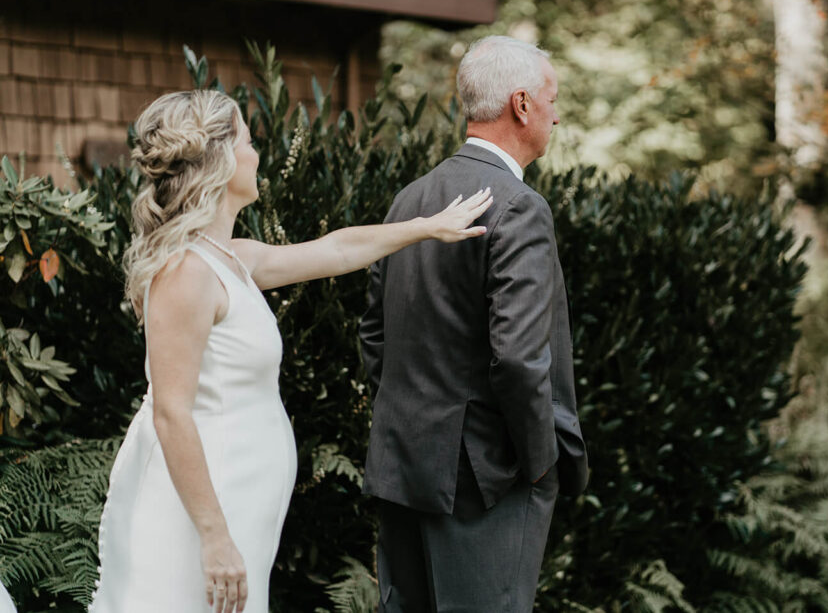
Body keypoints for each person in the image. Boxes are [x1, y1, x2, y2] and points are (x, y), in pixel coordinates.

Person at [89, 90, 493, 613]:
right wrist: (213, 536)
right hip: (192, 516)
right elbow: (171, 413)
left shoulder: (230, 259)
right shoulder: (185, 274)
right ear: (220, 159)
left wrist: (426, 228)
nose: (258, 153)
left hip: (236, 504)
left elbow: (336, 250)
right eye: (249, 141)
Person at [359, 35, 588, 612]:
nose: (557, 114)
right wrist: (540, 465)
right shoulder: (518, 206)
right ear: (522, 105)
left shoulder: (409, 200)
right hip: (485, 481)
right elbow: (518, 358)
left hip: (402, 466)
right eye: (552, 98)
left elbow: (373, 337)